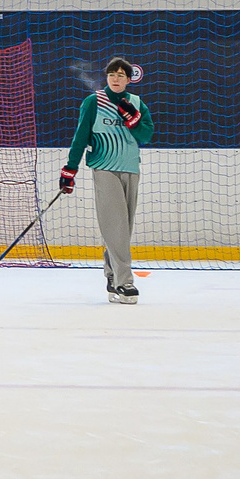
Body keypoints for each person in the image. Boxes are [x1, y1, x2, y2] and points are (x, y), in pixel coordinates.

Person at [59, 55, 153, 304]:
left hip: (130, 168)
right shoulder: (94, 102)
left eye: (120, 75)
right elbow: (80, 136)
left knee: (123, 228)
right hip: (104, 168)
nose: (115, 79)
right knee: (116, 226)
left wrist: (134, 121)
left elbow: (146, 135)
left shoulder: (136, 103)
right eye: (112, 75)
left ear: (128, 79)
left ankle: (112, 275)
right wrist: (70, 170)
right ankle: (125, 282)